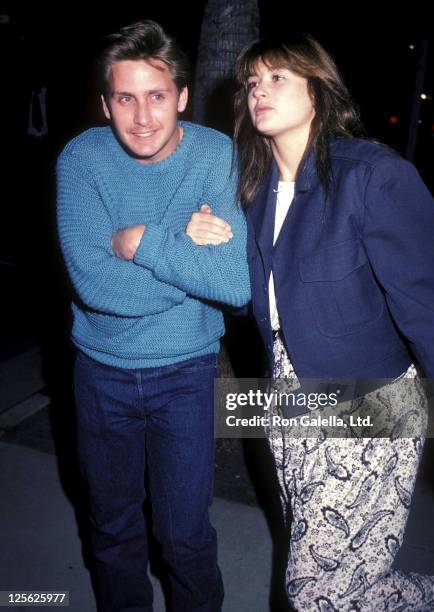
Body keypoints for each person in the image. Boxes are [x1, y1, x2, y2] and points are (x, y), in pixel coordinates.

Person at [187, 33, 434, 611]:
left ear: (318, 90)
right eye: (252, 83)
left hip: (373, 399)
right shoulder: (255, 189)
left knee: (318, 592)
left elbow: (428, 305)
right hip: (288, 396)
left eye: (278, 79)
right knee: (333, 574)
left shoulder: (372, 177)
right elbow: (252, 300)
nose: (259, 91)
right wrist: (201, 240)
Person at [56, 19, 250, 612]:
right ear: (105, 103)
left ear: (183, 97)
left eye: (157, 96)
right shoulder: (81, 159)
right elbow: (95, 288)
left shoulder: (217, 154)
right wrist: (187, 258)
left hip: (187, 374)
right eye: (125, 98)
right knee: (112, 528)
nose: (142, 117)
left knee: (185, 535)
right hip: (101, 372)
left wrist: (142, 240)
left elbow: (235, 283)